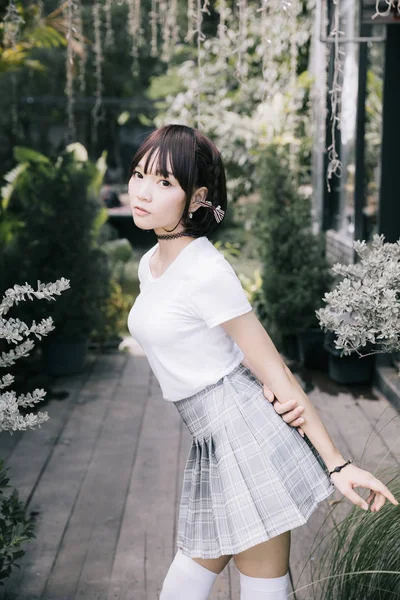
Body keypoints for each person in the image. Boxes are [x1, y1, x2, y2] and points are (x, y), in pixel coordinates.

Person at [127, 124, 398, 600]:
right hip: (213, 441)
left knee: (199, 588)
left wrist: (337, 465)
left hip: (244, 436)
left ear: (197, 198)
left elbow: (275, 369)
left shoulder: (205, 270)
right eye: (139, 175)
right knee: (256, 588)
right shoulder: (151, 262)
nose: (143, 192)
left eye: (165, 182)